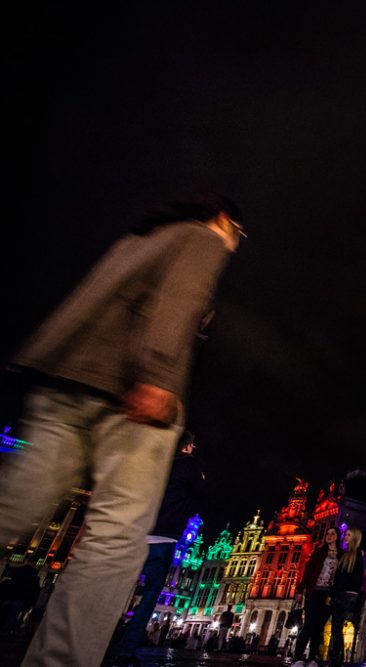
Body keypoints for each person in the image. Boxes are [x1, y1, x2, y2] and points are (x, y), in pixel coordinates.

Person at [0, 193, 243, 667]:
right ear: (221, 218)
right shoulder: (202, 237)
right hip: (129, 397)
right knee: (114, 543)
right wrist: (157, 373)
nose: (235, 243)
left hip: (64, 377)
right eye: (238, 231)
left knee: (13, 505)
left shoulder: (139, 238)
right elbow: (181, 297)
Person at [114, 431, 207, 665]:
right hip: (163, 537)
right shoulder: (189, 465)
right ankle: (127, 648)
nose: (193, 449)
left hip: (135, 532)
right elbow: (202, 493)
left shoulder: (153, 461)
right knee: (150, 595)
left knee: (116, 588)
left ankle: (97, 638)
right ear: (186, 447)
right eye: (192, 445)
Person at [292, 527, 341, 667]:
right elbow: (308, 571)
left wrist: (332, 594)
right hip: (314, 592)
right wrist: (300, 590)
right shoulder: (319, 552)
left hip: (328, 595)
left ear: (337, 537)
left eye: (333, 533)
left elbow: (339, 577)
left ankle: (312, 658)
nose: (329, 536)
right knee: (308, 625)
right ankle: (297, 658)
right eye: (328, 533)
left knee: (319, 628)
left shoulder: (341, 554)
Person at [330, 526, 366, 667]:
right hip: (350, 595)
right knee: (337, 629)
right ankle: (338, 659)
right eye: (345, 534)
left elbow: (341, 578)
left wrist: (333, 593)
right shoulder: (349, 555)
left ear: (355, 538)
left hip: (344, 595)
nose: (345, 537)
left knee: (336, 628)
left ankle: (336, 659)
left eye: (348, 535)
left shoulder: (353, 555)